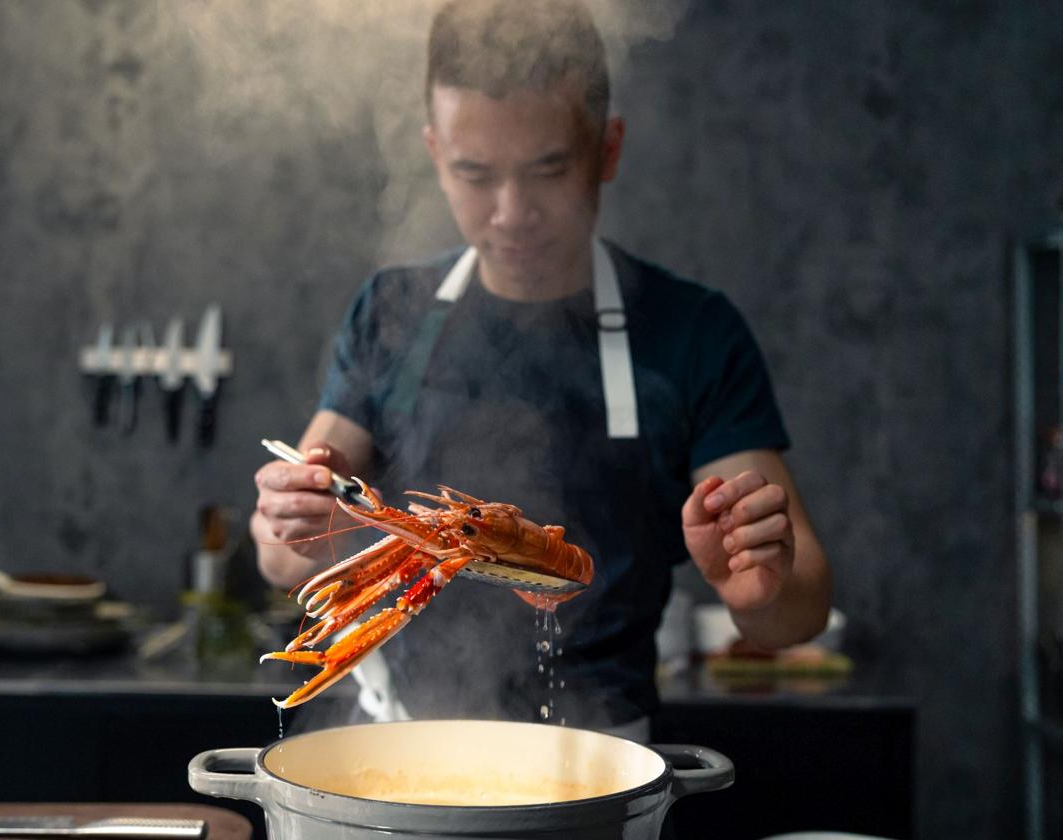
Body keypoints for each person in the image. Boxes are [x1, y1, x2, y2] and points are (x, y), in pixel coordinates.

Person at [252, 0, 831, 739]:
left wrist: (758, 589)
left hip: (602, 761)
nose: (512, 212)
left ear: (607, 150)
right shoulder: (390, 312)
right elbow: (283, 559)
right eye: (474, 174)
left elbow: (800, 606)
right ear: (436, 153)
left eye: (548, 170)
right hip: (401, 747)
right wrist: (291, 530)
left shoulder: (693, 333)